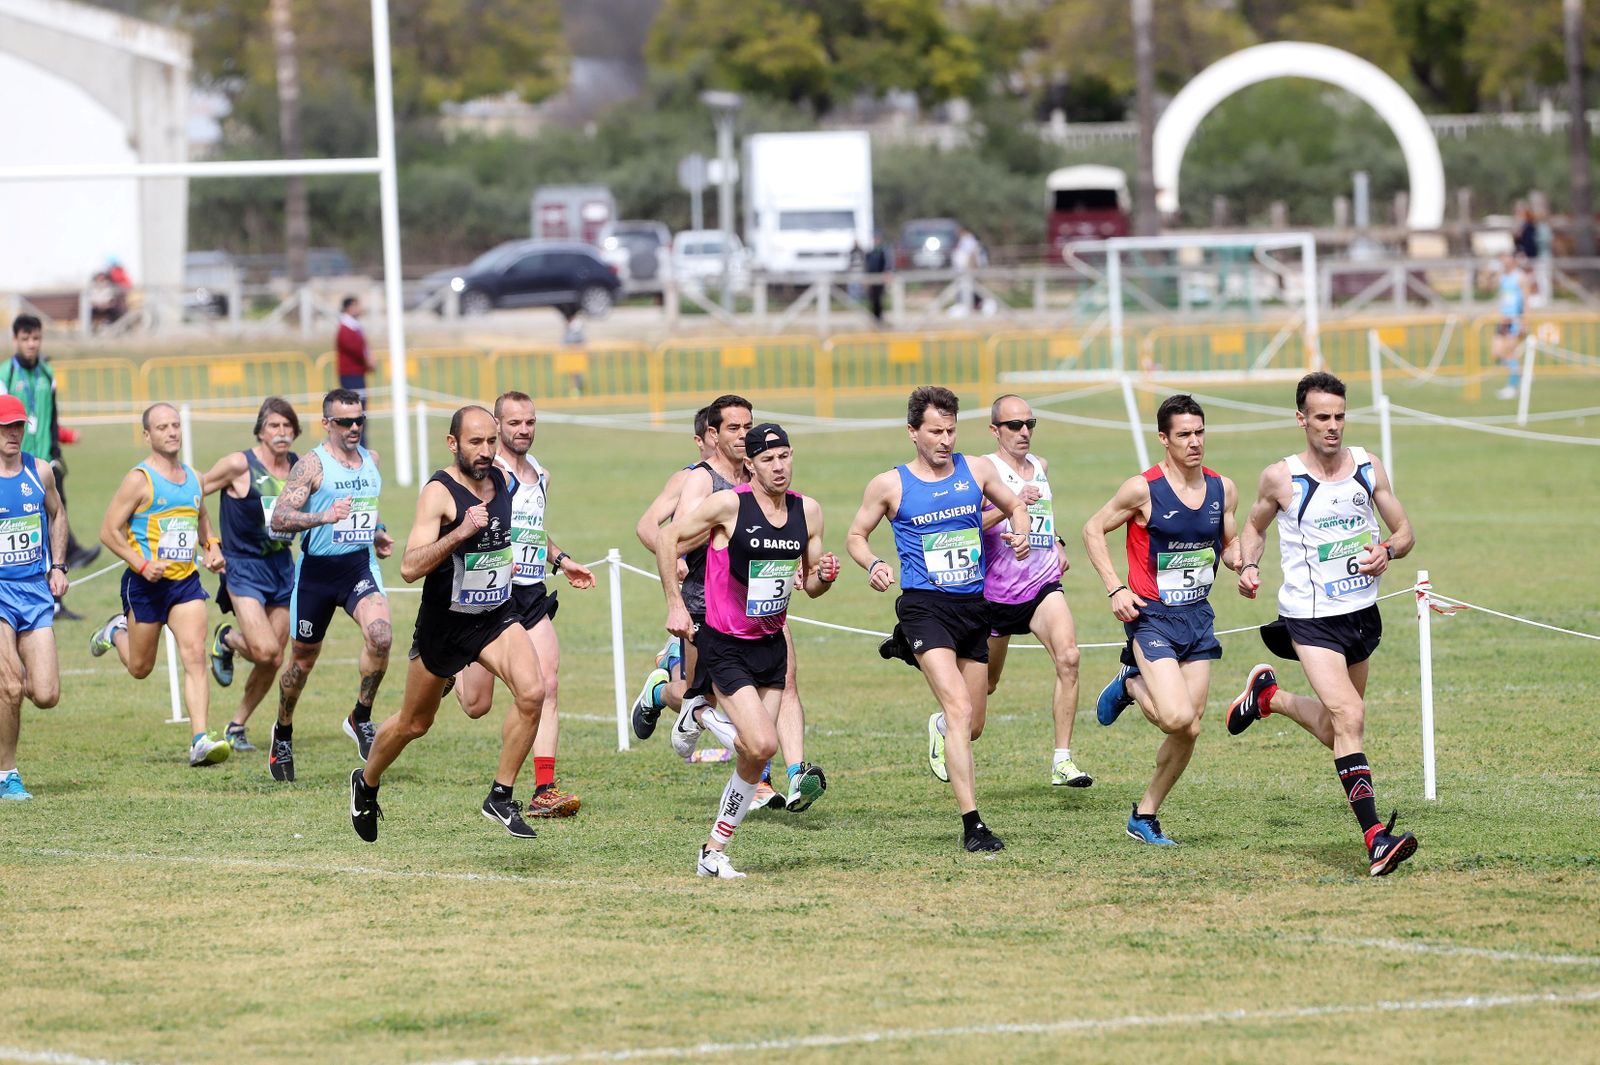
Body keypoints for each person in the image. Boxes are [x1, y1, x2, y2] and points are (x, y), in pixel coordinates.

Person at [1230, 371, 1419, 878]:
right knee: (1350, 716)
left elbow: (1404, 531)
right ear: (1301, 419)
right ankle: (1376, 838)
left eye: (1339, 416)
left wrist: (1387, 551)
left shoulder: (1366, 466)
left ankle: (1270, 698)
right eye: (1321, 417)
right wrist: (1248, 565)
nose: (1332, 426)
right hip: (1309, 618)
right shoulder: (1281, 478)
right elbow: (1253, 527)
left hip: (1361, 613)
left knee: (1342, 725)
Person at [350, 406, 546, 843]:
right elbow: (408, 567)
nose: (485, 451)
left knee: (533, 692)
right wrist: (459, 532)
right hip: (445, 625)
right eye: (475, 442)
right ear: (452, 443)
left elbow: (521, 533)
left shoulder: (502, 481)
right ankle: (366, 781)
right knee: (413, 724)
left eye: (490, 441)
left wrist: (557, 559)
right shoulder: (439, 493)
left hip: (496, 614)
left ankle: (500, 795)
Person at [847, 385, 1030, 853]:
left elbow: (1014, 505)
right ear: (913, 432)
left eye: (951, 430)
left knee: (972, 724)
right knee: (959, 710)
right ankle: (973, 825)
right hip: (924, 607)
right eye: (935, 431)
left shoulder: (977, 469)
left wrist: (1022, 534)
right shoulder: (889, 484)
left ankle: (909, 657)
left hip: (973, 607)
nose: (945, 440)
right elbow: (856, 535)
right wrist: (873, 564)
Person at [657, 422, 837, 877]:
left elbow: (810, 585)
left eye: (785, 457)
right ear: (751, 465)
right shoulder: (728, 505)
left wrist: (825, 576)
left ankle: (713, 851)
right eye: (769, 460)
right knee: (764, 742)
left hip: (770, 646)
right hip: (725, 644)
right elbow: (666, 537)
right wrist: (676, 604)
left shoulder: (808, 512)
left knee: (753, 756)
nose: (780, 467)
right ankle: (697, 709)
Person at [1080, 394, 1241, 846]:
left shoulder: (1222, 489)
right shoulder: (1143, 489)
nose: (1195, 442)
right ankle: (1131, 681)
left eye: (1200, 432)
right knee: (1175, 716)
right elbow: (1093, 529)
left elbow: (1227, 545)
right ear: (1164, 439)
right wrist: (1116, 587)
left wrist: (1243, 565)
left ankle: (1145, 814)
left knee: (1191, 727)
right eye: (1184, 435)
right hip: (1151, 618)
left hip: (1197, 618)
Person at [452, 391, 595, 818]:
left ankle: (544, 789)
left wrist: (562, 560)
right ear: (497, 426)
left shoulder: (540, 473)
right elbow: (467, 524)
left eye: (529, 422)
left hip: (530, 593)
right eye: (514, 423)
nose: (523, 430)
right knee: (477, 706)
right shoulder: (486, 473)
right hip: (489, 594)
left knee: (548, 684)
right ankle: (450, 661)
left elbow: (533, 530)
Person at [90, 403, 230, 766]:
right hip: (145, 585)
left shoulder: (195, 478)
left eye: (175, 425)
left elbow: (203, 523)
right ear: (148, 435)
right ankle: (114, 631)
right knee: (140, 667)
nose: (171, 432)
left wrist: (212, 549)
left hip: (184, 584)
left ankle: (200, 739)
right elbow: (108, 531)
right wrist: (141, 563)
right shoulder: (140, 479)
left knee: (195, 655)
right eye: (162, 427)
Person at [267, 388, 395, 782]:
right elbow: (279, 519)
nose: (354, 427)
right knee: (302, 662)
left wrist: (377, 534)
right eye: (345, 421)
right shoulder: (310, 466)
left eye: (360, 420)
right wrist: (322, 516)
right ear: (326, 423)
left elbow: (362, 514)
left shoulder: (371, 460)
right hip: (317, 575)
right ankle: (283, 733)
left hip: (358, 566)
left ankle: (361, 716)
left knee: (381, 636)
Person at [978, 395, 1090, 789]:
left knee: (1069, 658)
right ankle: (943, 723)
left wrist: (1056, 542)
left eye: (1030, 424)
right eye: (1014, 425)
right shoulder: (982, 470)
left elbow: (1042, 516)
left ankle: (1063, 760)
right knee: (985, 689)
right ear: (995, 430)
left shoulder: (1040, 466)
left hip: (1041, 584)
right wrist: (1011, 506)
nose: (1024, 432)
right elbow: (972, 525)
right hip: (995, 594)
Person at [200, 397, 302, 753]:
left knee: (274, 658)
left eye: (288, 426)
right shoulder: (238, 464)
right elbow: (192, 492)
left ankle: (237, 725)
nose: (282, 432)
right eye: (274, 425)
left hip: (282, 568)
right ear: (260, 429)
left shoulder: (301, 469)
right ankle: (226, 637)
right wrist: (210, 543)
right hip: (242, 567)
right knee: (263, 650)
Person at [3, 316, 99, 620]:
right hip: (12, 467)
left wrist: (57, 453)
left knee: (53, 523)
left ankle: (56, 599)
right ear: (15, 339)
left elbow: (53, 416)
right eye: (26, 338)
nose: (32, 344)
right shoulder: (5, 374)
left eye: (37, 338)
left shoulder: (47, 372)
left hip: (43, 465)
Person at [629, 405, 715, 739]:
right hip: (697, 600)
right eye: (714, 432)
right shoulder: (687, 479)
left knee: (722, 695)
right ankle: (658, 692)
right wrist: (674, 554)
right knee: (702, 699)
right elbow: (647, 525)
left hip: (737, 601)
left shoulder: (748, 476)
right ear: (700, 439)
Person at [0, 394, 69, 800]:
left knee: (44, 694)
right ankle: (6, 774)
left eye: (18, 426)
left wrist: (57, 566)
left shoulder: (39, 471)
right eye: (5, 427)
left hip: (34, 591)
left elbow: (57, 514)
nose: (13, 434)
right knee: (10, 686)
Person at [1492, 252, 1532, 401]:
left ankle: (1512, 387)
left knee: (1509, 352)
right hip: (1503, 319)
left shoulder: (1520, 277)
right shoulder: (1502, 277)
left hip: (1515, 319)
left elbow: (1526, 301)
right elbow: (1497, 293)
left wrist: (1524, 321)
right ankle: (1521, 373)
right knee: (1496, 353)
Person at [335, 296, 374, 444]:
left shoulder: (353, 326)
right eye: (356, 306)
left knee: (361, 408)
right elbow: (355, 349)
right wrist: (368, 361)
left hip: (357, 373)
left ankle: (361, 442)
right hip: (351, 375)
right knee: (355, 410)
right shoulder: (345, 328)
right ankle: (357, 442)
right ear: (349, 307)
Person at [864, 233, 893, 325]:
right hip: (872, 279)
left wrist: (887, 274)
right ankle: (874, 317)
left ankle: (879, 318)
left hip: (880, 279)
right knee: (872, 299)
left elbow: (887, 265)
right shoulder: (870, 252)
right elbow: (867, 266)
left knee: (879, 299)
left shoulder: (883, 252)